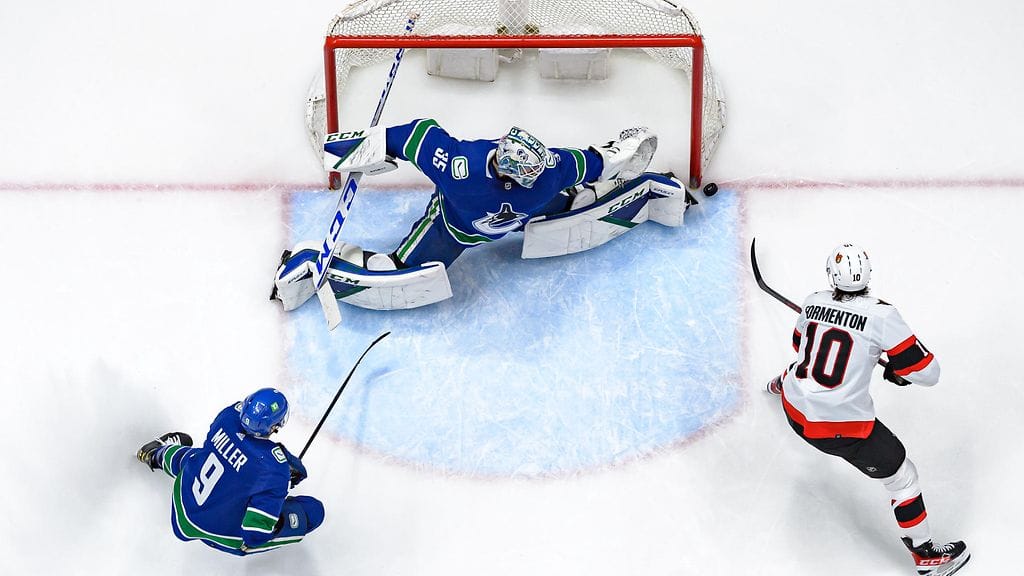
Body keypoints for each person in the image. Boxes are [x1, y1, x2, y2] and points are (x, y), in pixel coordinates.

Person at [271, 119, 690, 311]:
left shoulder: (461, 165)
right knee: (573, 199)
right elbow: (600, 160)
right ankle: (312, 258)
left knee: (396, 269)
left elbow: (413, 136)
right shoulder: (549, 176)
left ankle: (314, 261)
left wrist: (362, 150)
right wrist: (625, 149)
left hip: (455, 227)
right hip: (483, 222)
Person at [765, 244, 969, 576]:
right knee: (904, 478)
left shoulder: (813, 300)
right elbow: (928, 374)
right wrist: (899, 369)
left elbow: (799, 345)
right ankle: (926, 557)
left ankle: (776, 385)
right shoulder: (882, 315)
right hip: (837, 431)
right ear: (868, 274)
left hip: (793, 408)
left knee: (800, 367)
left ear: (830, 275)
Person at [136, 388, 324, 556]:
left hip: (183, 504)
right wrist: (276, 499)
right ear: (274, 427)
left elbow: (244, 452)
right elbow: (254, 534)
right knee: (313, 511)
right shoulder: (273, 470)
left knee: (199, 458)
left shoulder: (227, 417)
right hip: (218, 533)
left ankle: (155, 454)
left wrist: (277, 471)